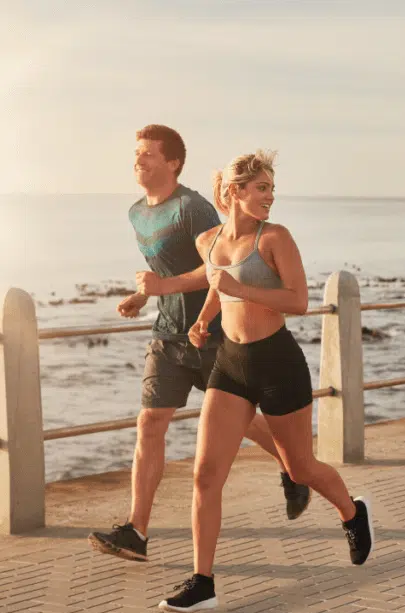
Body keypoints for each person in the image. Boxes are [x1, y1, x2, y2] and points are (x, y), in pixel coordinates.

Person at [158, 150, 373, 613]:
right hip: (230, 364)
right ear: (235, 192)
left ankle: (353, 513)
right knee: (205, 475)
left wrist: (241, 291)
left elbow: (298, 301)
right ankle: (203, 582)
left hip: (278, 362)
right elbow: (217, 283)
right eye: (261, 189)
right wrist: (203, 319)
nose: (269, 197)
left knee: (301, 469)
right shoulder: (208, 241)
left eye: (272, 189)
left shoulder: (276, 238)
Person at [88, 125, 308, 564]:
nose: (139, 160)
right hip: (168, 334)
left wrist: (174, 291)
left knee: (241, 423)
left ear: (172, 163)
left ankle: (293, 465)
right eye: (137, 153)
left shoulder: (193, 208)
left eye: (148, 154)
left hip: (213, 336)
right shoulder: (136, 212)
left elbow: (220, 264)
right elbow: (163, 269)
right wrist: (145, 294)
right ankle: (136, 531)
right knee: (150, 423)